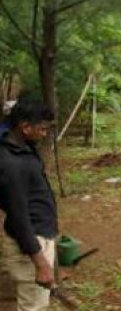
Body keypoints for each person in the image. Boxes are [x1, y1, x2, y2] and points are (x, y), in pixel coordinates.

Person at [0, 99, 57, 311]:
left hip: (38, 237)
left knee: (37, 302)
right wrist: (41, 263)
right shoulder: (10, 165)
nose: (44, 134)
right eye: (42, 129)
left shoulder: (24, 147)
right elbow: (18, 217)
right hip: (30, 245)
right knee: (33, 306)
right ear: (25, 127)